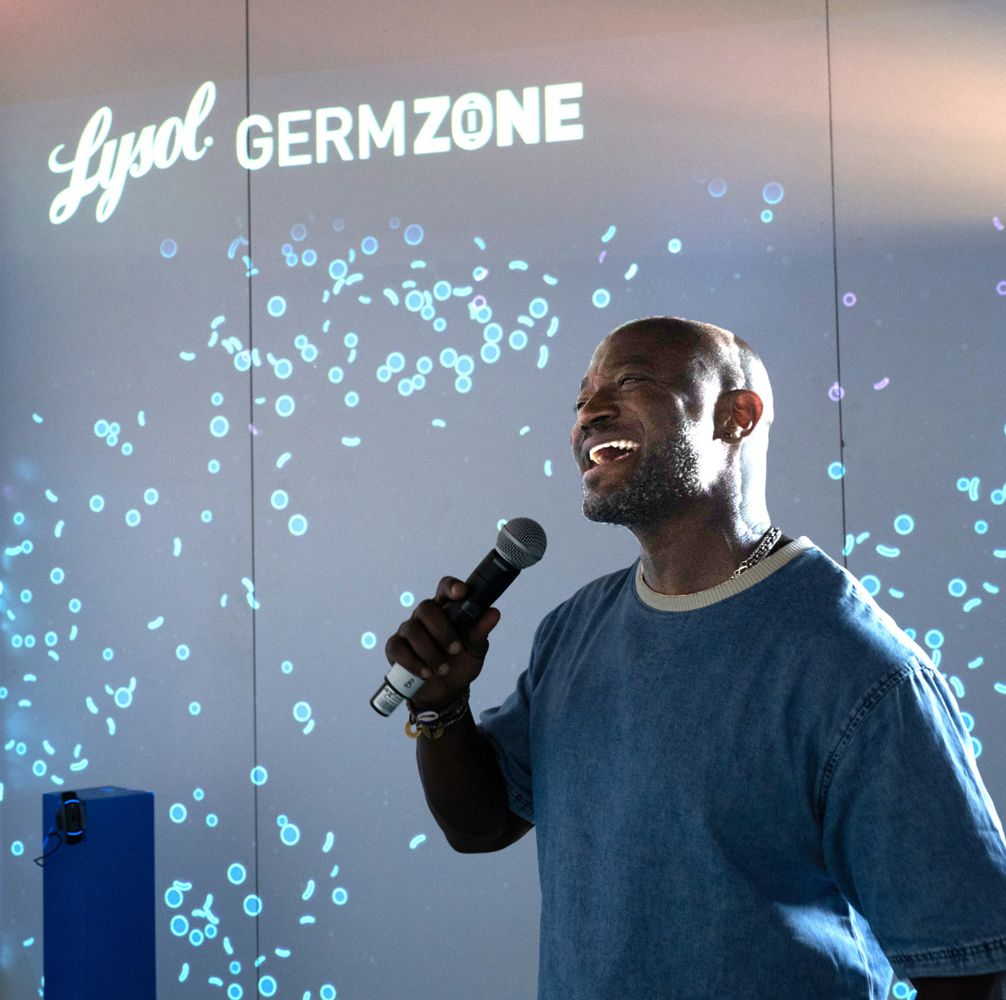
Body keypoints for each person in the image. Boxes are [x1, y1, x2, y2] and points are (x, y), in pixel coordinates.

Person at [385, 316, 1006, 1000]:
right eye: (583, 398)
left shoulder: (858, 668)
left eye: (632, 380)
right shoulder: (573, 632)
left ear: (736, 417)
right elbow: (484, 824)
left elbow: (966, 966)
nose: (590, 412)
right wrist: (441, 705)